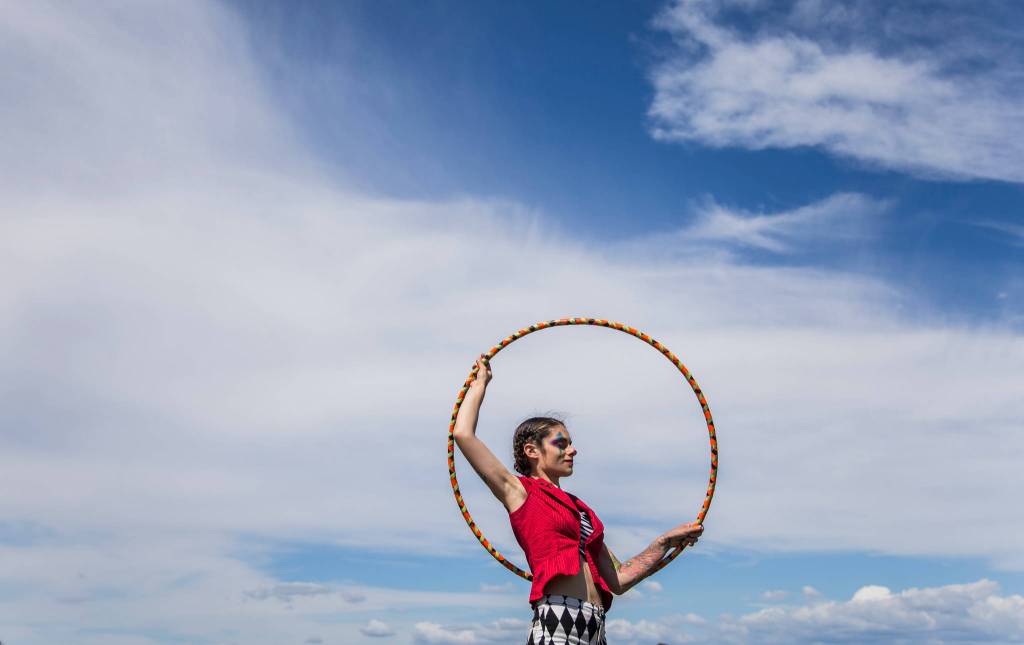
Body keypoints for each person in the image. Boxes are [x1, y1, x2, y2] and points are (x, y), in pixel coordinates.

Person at [453, 356, 703, 645]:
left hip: (596, 628)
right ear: (532, 450)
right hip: (558, 622)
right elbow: (463, 434)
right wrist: (480, 384)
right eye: (562, 443)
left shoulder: (582, 513)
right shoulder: (520, 492)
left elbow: (618, 579)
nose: (573, 451)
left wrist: (663, 543)